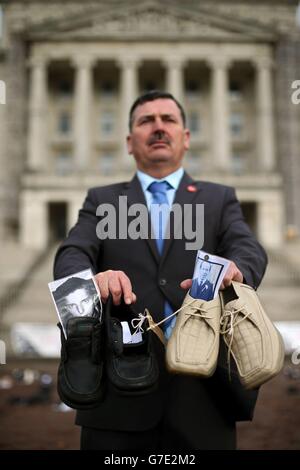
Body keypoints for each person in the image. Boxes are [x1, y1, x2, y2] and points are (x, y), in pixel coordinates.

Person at [54, 90, 267, 450]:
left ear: (185, 138)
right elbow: (72, 252)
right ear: (129, 141)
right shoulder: (102, 199)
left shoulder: (219, 197)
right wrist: (91, 281)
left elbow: (247, 247)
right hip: (118, 392)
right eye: (145, 121)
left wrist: (237, 268)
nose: (158, 127)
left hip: (204, 390)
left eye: (168, 120)